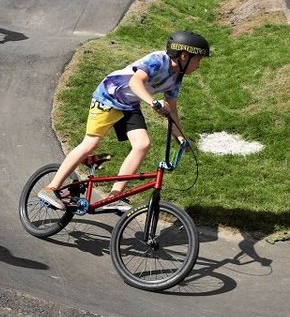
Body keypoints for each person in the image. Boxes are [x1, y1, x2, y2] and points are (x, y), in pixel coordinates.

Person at [37, 31, 210, 212]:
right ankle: (51, 188)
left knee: (143, 145)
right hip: (108, 97)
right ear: (184, 56)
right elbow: (136, 82)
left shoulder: (177, 77)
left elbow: (171, 109)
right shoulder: (158, 60)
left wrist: (181, 138)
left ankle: (114, 196)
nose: (198, 65)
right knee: (91, 143)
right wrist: (152, 103)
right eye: (198, 60)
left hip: (129, 104)